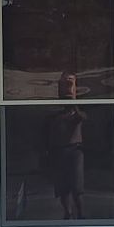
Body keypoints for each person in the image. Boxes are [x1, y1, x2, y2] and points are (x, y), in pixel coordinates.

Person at [45, 73, 88, 219]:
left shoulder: (77, 115)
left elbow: (82, 117)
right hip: (59, 151)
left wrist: (74, 102)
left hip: (75, 150)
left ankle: (81, 212)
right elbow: (50, 131)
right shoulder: (56, 116)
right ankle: (67, 212)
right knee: (63, 187)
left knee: (77, 186)